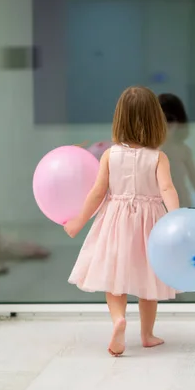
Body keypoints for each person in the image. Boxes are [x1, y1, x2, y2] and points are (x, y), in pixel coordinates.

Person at [64, 86, 179, 356]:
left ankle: (118, 320)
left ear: (119, 120)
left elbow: (97, 193)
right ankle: (147, 335)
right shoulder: (158, 157)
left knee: (114, 276)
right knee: (149, 280)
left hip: (115, 223)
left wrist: (79, 221)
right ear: (156, 121)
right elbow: (167, 190)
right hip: (150, 224)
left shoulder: (110, 155)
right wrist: (176, 220)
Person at [158, 93, 195, 210]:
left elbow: (194, 175)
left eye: (170, 119)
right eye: (161, 119)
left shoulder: (182, 150)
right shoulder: (151, 150)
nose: (166, 124)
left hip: (181, 200)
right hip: (158, 202)